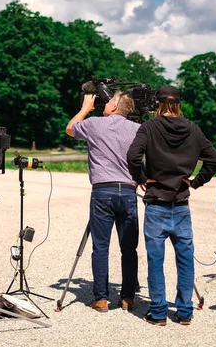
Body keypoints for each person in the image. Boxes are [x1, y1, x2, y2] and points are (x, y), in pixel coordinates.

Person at [127, 85, 216, 326]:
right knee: (185, 259)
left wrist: (141, 178)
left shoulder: (149, 127)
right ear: (179, 103)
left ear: (158, 103)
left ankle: (158, 313)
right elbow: (214, 159)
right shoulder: (193, 129)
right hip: (181, 203)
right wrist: (195, 181)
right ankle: (184, 311)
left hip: (156, 202)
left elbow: (133, 156)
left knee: (155, 260)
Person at [66, 91, 141, 313]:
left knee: (101, 247)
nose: (104, 104)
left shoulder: (94, 123)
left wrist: (85, 108)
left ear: (115, 106)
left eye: (108, 101)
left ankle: (101, 299)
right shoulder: (138, 130)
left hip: (103, 191)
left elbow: (70, 129)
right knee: (129, 248)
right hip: (128, 192)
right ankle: (128, 297)